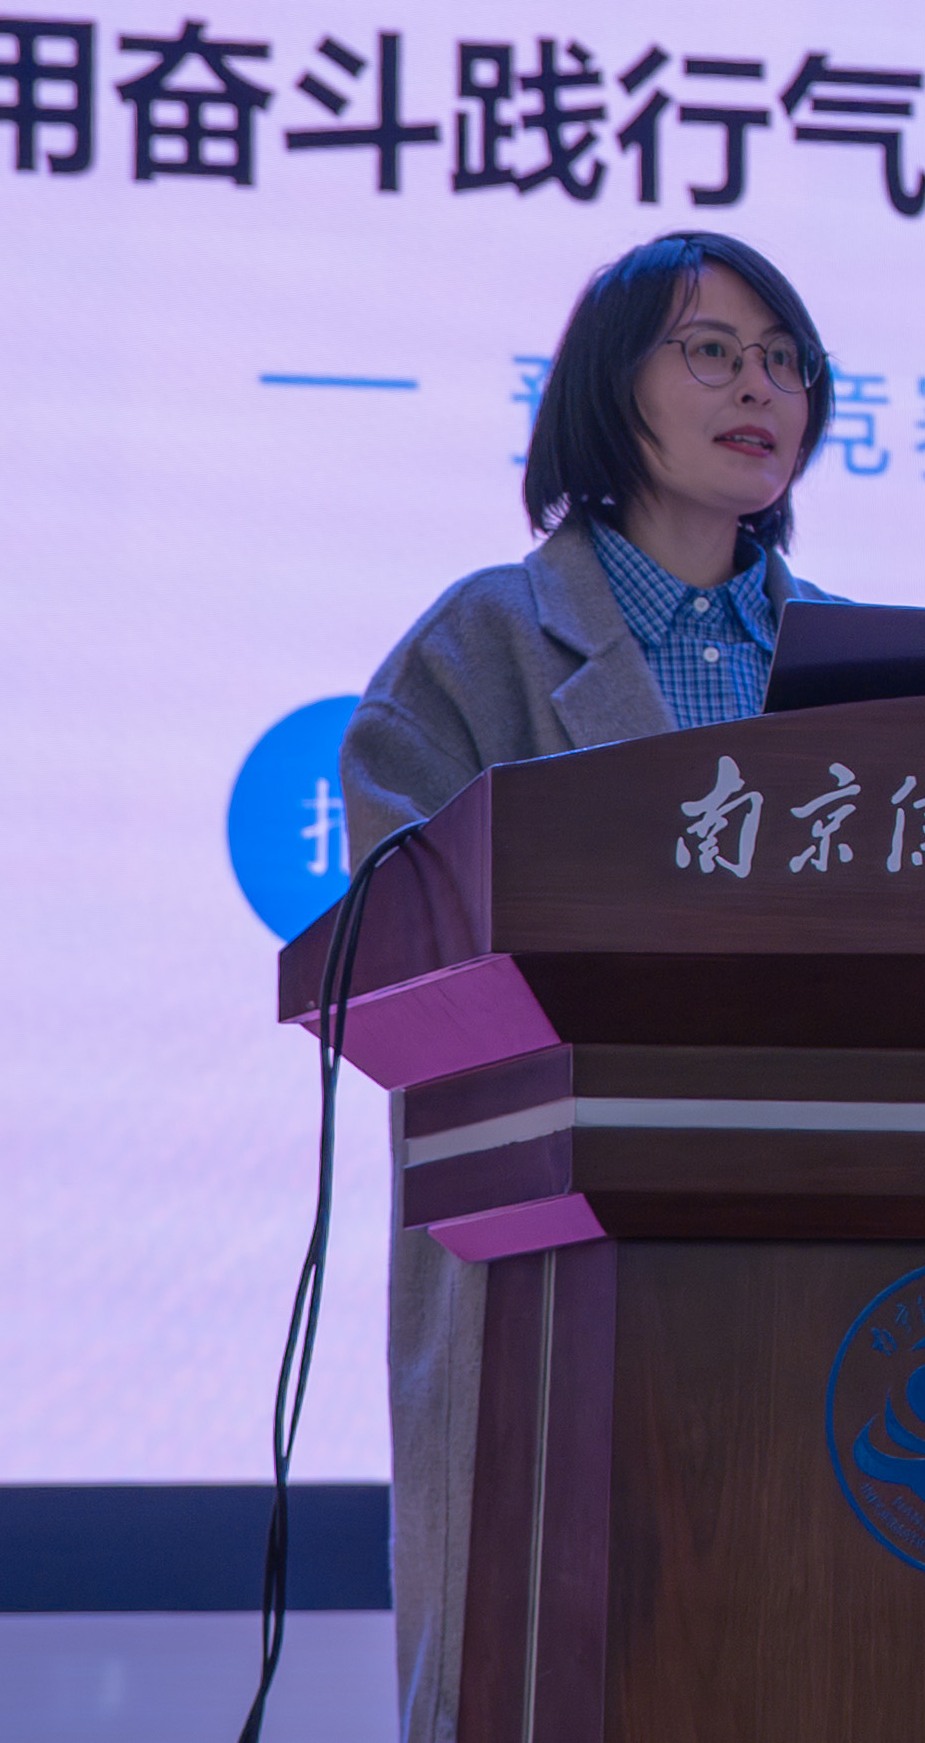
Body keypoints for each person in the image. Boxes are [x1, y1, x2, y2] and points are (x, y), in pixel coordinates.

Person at [337, 230, 843, 1743]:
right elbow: (403, 956)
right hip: (559, 1284)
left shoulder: (855, 668)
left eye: (784, 360)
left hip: (818, 1274)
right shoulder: (481, 648)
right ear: (606, 390)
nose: (760, 388)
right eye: (712, 352)